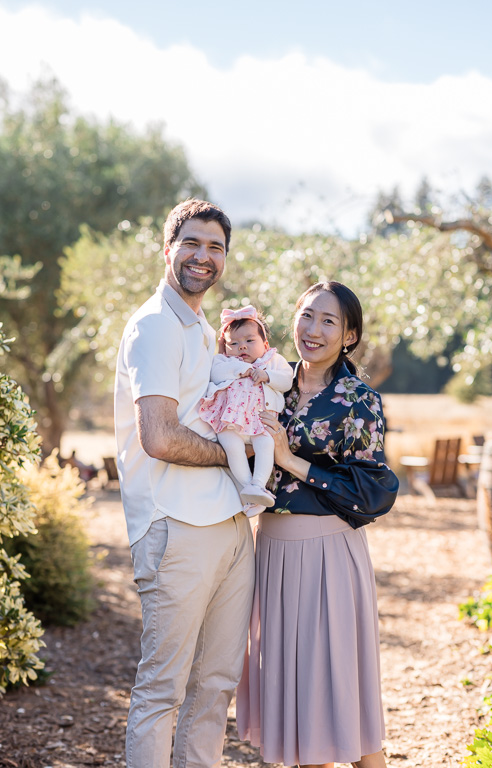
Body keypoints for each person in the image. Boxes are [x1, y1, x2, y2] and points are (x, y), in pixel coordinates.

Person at [114, 199, 255, 768]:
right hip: (174, 526)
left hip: (227, 525)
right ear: (168, 248)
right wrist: (235, 453)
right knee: (162, 690)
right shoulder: (154, 325)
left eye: (215, 247)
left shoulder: (199, 326)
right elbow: (161, 437)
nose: (204, 257)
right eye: (192, 244)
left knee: (216, 685)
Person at [236, 281, 399, 768]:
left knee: (340, 695)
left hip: (328, 554)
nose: (313, 329)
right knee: (304, 700)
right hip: (272, 552)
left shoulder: (358, 400)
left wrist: (292, 460)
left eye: (329, 321)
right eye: (307, 315)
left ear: (349, 336)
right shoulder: (269, 383)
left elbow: (372, 491)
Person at [199, 305, 293, 512]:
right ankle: (249, 490)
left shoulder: (273, 361)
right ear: (224, 346)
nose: (242, 347)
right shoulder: (223, 361)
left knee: (266, 445)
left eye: (250, 341)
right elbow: (215, 374)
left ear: (265, 344)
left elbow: (287, 380)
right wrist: (242, 368)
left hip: (260, 420)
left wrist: (267, 376)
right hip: (229, 420)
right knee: (233, 449)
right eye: (234, 343)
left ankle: (258, 485)